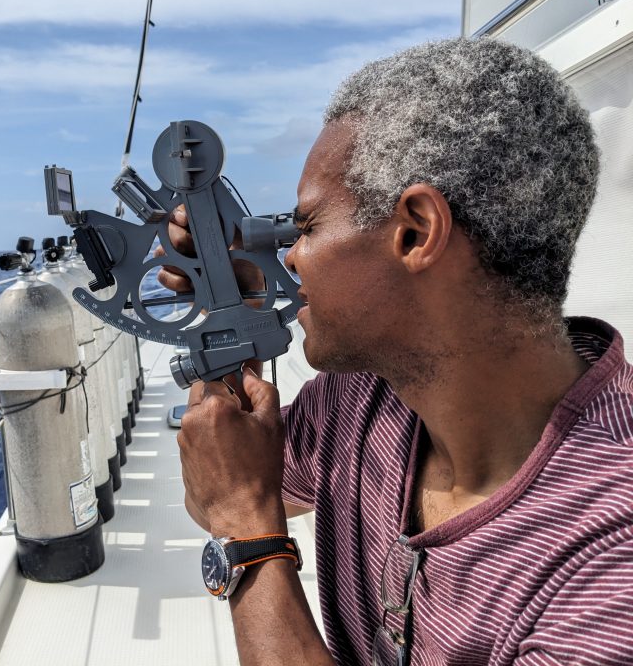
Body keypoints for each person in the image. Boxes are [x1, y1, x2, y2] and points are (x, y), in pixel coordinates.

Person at [166, 38, 633, 665]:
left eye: (304, 228)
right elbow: (215, 487)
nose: (288, 258)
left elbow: (236, 504)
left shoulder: (610, 560)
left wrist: (249, 533)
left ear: (416, 231)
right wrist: (234, 311)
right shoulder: (360, 397)